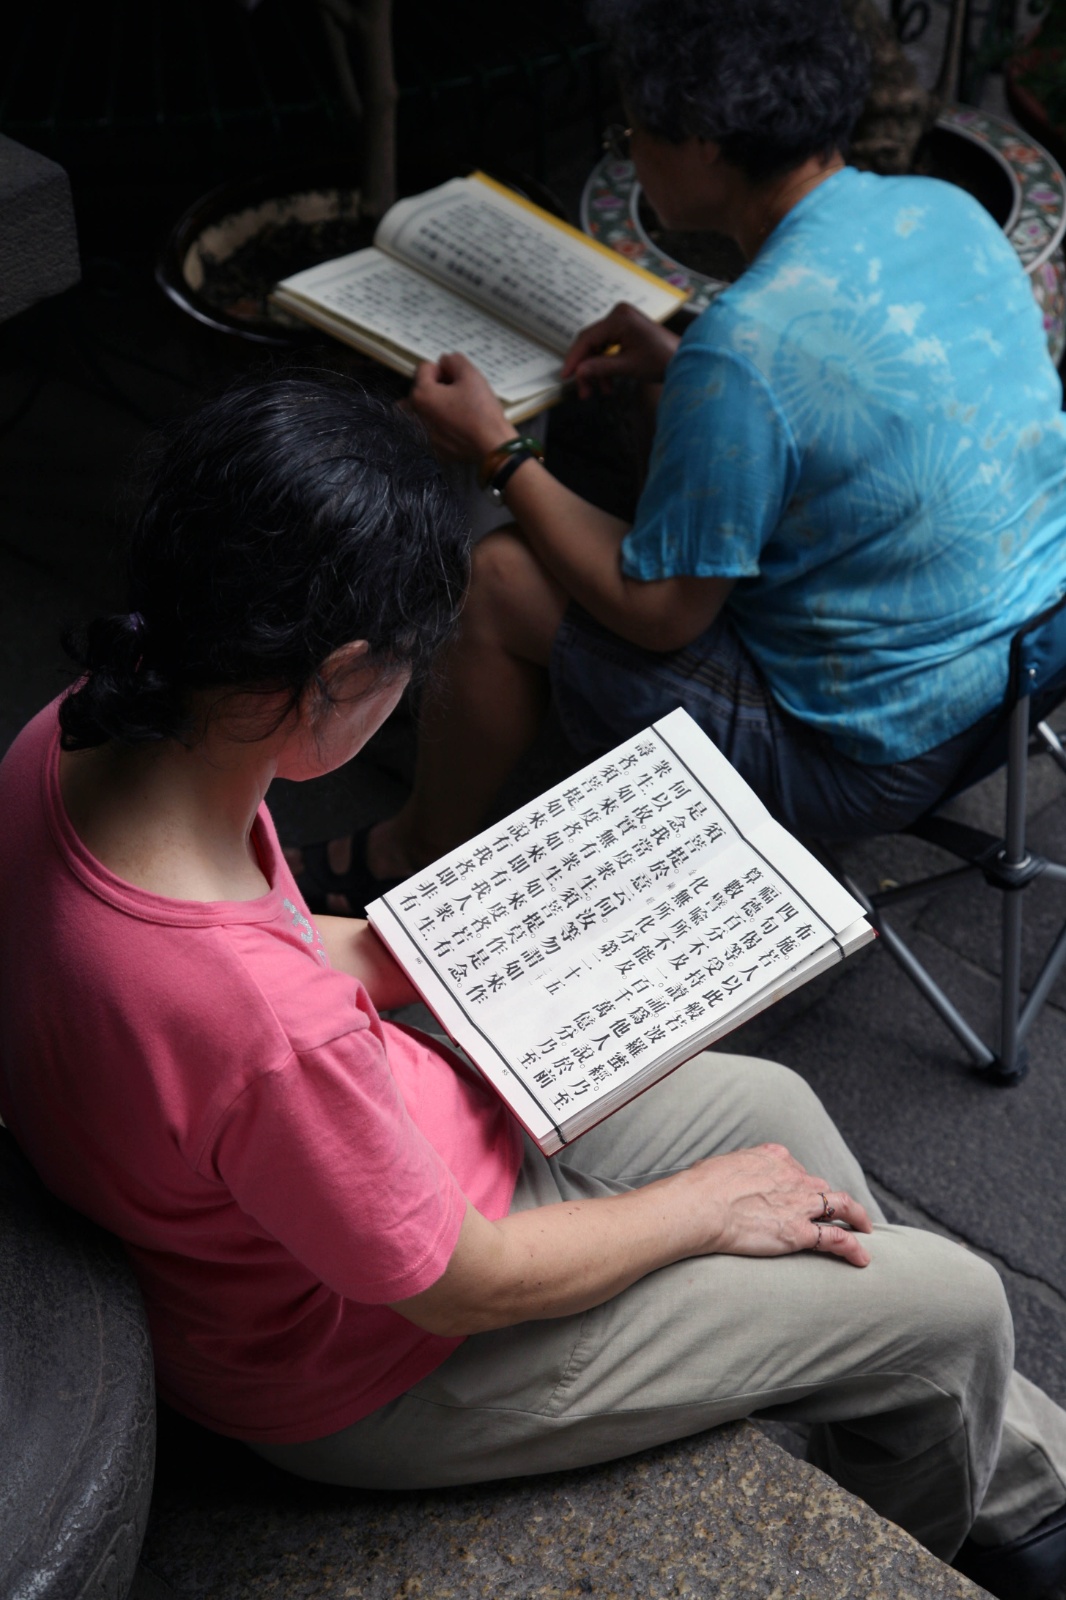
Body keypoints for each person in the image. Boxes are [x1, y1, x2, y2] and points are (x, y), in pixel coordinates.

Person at [1, 373, 1065, 1599]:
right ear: (336, 678)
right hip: (373, 1365)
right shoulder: (262, 1026)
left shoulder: (83, 727)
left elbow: (272, 960)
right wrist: (703, 1211)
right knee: (955, 1307)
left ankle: (989, 1461)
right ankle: (954, 1533)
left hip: (367, 1172)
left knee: (776, 1111)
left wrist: (464, 937)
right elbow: (461, 1281)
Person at [296, 0, 1066, 917]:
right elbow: (869, 390)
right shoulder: (945, 210)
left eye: (634, 134)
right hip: (1025, 673)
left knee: (499, 577)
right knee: (661, 403)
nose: (630, 153)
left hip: (870, 756)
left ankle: (410, 854)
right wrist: (684, 363)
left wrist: (497, 450)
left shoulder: (745, 349)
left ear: (702, 144)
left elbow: (660, 616)